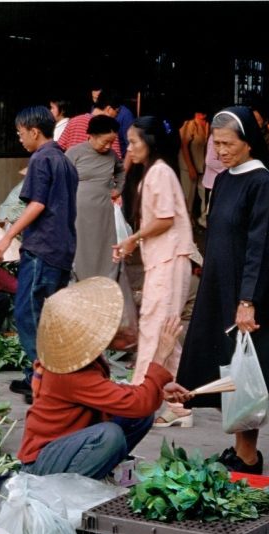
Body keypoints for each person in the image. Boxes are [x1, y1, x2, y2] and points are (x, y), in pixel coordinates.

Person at [176, 105, 269, 474]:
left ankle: (248, 458)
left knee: (246, 372)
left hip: (245, 289)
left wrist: (248, 301)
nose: (220, 152)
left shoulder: (261, 182)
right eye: (216, 144)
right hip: (218, 284)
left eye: (227, 144)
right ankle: (239, 451)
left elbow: (259, 245)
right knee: (225, 365)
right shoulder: (223, 179)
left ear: (248, 144)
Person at [17, 276, 190, 479]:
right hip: (42, 463)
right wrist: (160, 357)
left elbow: (121, 398)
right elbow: (136, 403)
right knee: (109, 436)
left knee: (138, 416)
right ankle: (77, 482)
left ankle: (103, 467)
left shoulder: (83, 361)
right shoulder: (69, 373)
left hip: (68, 443)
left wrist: (158, 391)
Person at [113, 116, 197, 428]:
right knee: (165, 331)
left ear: (149, 142)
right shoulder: (154, 171)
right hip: (166, 258)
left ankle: (141, 399)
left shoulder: (159, 172)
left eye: (133, 142)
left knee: (155, 328)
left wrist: (133, 238)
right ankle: (173, 404)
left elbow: (164, 219)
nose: (129, 148)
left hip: (169, 259)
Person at [0, 106, 78, 403]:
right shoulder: (64, 161)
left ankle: (41, 380)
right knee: (49, 318)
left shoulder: (41, 159)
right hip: (63, 248)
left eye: (20, 133)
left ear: (34, 131)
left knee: (28, 314)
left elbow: (37, 204)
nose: (20, 139)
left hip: (42, 247)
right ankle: (40, 377)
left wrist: (6, 237)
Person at [66, 114, 125, 279]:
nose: (108, 146)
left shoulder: (112, 155)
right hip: (79, 212)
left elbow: (120, 170)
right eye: (104, 141)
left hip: (104, 211)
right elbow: (61, 178)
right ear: (91, 136)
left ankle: (106, 282)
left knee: (105, 247)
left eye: (111, 142)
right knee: (82, 248)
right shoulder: (74, 153)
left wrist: (118, 189)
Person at [57, 92, 122, 158]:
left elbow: (59, 148)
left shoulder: (74, 121)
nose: (116, 116)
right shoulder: (110, 129)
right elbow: (117, 158)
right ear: (109, 109)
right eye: (117, 112)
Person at [178, 109, 209, 221]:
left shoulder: (207, 125)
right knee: (188, 197)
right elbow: (184, 145)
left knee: (204, 195)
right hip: (188, 166)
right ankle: (185, 224)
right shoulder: (190, 124)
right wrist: (190, 167)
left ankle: (203, 221)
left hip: (202, 166)